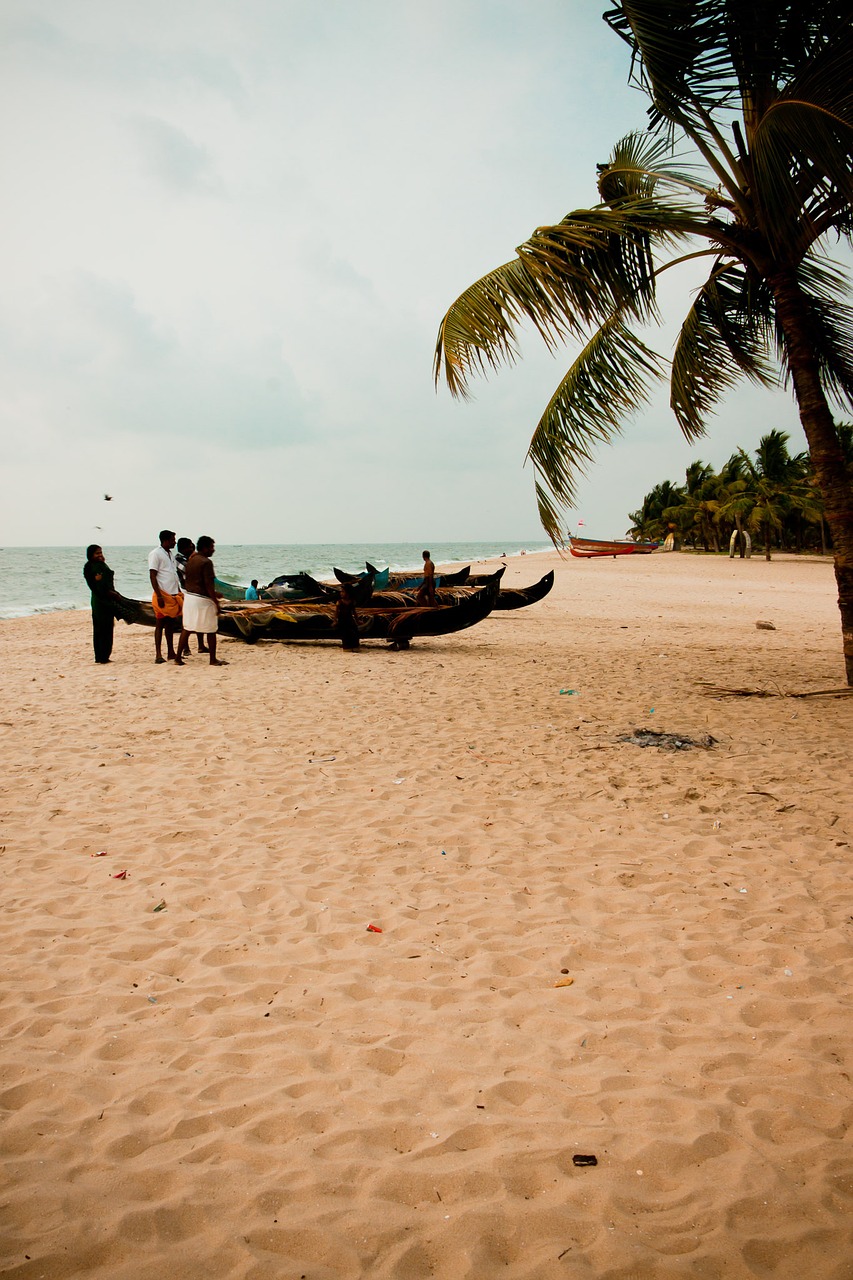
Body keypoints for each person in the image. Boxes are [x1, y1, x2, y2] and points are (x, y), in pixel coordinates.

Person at [175, 536, 226, 666]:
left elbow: (193, 581)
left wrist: (214, 594)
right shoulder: (206, 562)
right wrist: (216, 602)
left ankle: (177, 658)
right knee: (211, 629)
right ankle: (213, 659)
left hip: (190, 597)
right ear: (205, 547)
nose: (213, 550)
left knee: (187, 628)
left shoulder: (191, 560)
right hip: (203, 599)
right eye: (211, 547)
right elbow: (208, 585)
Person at [148, 530, 183, 663]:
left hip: (173, 594)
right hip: (163, 594)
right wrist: (159, 595)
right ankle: (158, 654)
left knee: (170, 625)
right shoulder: (155, 554)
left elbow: (173, 574)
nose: (175, 542)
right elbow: (152, 575)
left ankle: (171, 652)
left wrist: (178, 590)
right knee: (160, 624)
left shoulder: (170, 554)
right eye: (173, 539)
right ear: (166, 540)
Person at [83, 545, 118, 663]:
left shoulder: (97, 565)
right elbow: (98, 585)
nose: (99, 555)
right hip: (102, 601)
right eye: (97, 553)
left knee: (100, 629)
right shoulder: (94, 566)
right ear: (91, 555)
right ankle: (103, 657)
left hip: (100, 601)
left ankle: (101, 656)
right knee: (104, 629)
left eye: (100, 553)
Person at [175, 538, 208, 654]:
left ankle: (201, 645)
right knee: (187, 621)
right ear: (184, 548)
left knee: (199, 619)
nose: (191, 549)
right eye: (190, 547)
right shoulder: (178, 559)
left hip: (195, 592)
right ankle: (185, 648)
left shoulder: (188, 559)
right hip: (186, 592)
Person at [335, 582, 360, 651]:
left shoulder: (352, 602)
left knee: (354, 631)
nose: (341, 593)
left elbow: (354, 612)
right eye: (341, 592)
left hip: (349, 619)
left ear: (348, 593)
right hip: (342, 620)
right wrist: (335, 621)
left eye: (343, 592)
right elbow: (336, 612)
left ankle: (355, 646)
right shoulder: (339, 602)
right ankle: (347, 647)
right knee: (345, 634)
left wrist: (357, 621)